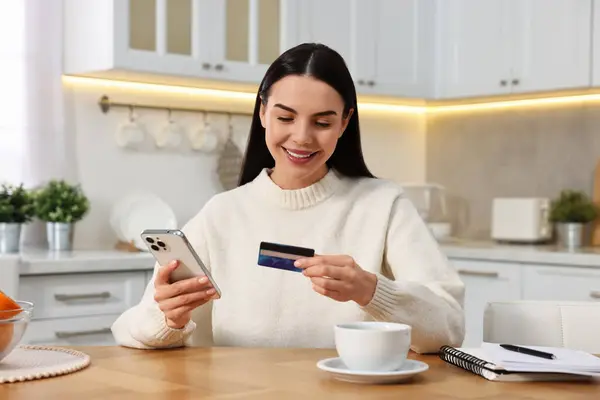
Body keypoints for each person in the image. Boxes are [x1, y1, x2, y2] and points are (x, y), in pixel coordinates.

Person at [111, 43, 465, 354]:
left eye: (322, 123)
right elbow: (128, 329)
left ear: (345, 123)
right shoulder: (222, 213)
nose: (302, 137)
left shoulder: (383, 205)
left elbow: (449, 327)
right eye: (285, 117)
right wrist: (169, 318)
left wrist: (372, 291)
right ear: (263, 112)